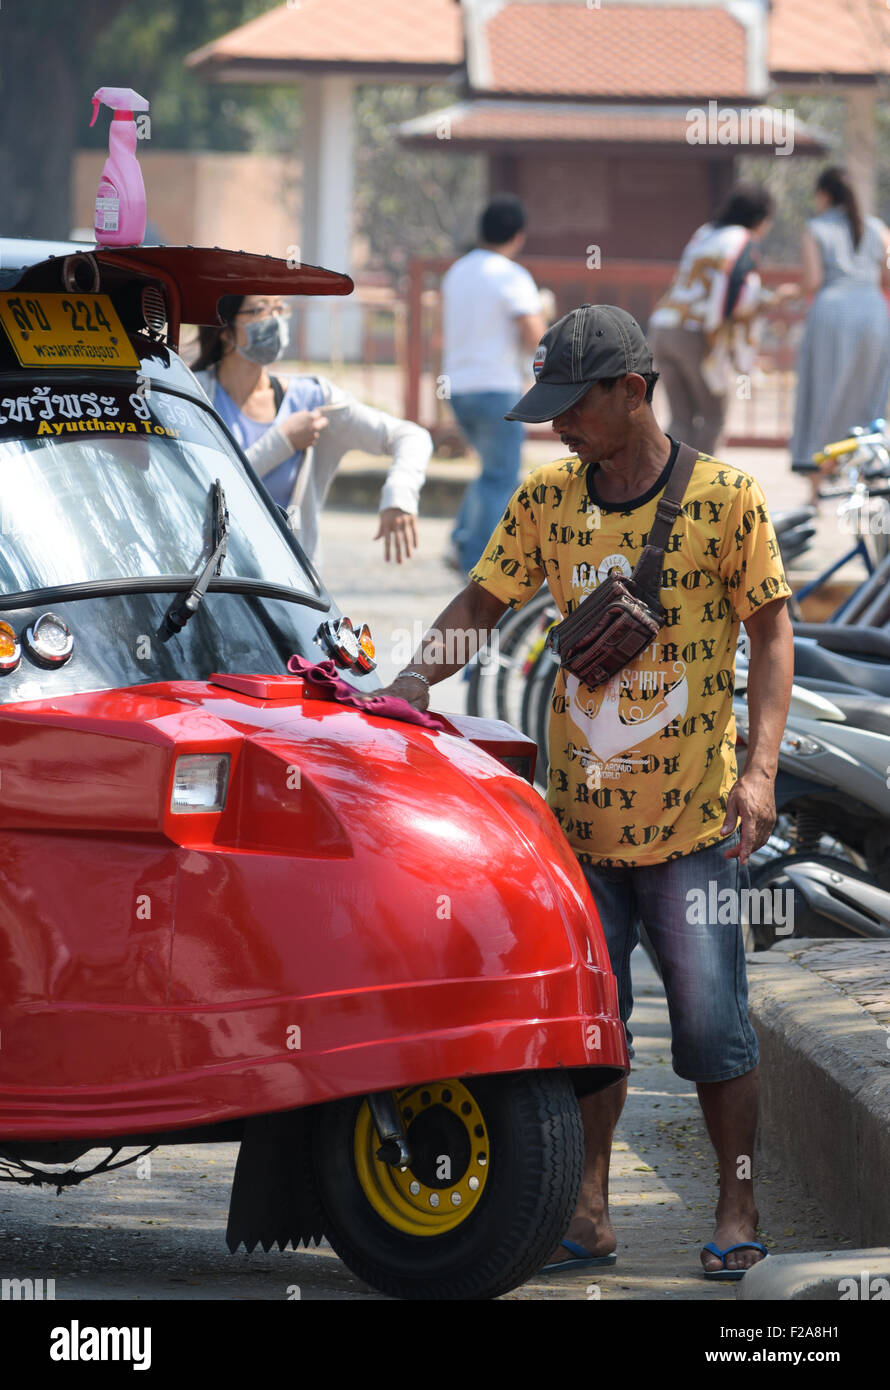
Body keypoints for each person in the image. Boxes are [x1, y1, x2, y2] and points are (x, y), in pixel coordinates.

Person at [358, 304, 794, 1280]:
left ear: (630, 391)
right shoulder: (548, 502)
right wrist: (411, 683)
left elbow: (771, 634)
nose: (558, 425)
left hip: (691, 824)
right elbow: (481, 602)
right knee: (589, 1031)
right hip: (576, 832)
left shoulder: (726, 500)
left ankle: (735, 1199)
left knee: (714, 1029)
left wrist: (757, 771)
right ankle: (588, 1206)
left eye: (572, 405)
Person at [192, 294, 432, 566]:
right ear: (225, 329)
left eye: (279, 308)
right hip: (209, 579)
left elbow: (412, 437)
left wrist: (399, 496)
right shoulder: (193, 394)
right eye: (260, 310)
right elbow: (199, 493)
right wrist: (281, 443)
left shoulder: (312, 399)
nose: (275, 321)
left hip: (291, 585)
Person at [441, 195, 546, 575]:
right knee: (501, 476)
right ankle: (474, 561)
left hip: (458, 385)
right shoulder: (510, 275)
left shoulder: (458, 270)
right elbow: (534, 332)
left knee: (490, 471)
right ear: (518, 236)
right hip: (495, 386)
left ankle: (460, 541)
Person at [649, 185, 796, 456]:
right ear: (760, 218)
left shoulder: (705, 232)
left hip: (664, 325)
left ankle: (663, 481)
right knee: (713, 416)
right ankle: (697, 486)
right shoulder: (743, 239)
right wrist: (771, 300)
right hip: (696, 332)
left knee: (681, 417)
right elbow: (735, 294)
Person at [789, 165, 890, 482]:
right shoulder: (878, 228)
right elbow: (886, 275)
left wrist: (788, 294)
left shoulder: (815, 228)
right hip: (873, 313)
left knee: (822, 394)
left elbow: (813, 281)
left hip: (832, 314)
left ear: (823, 195)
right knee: (869, 393)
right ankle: (866, 472)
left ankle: (815, 480)